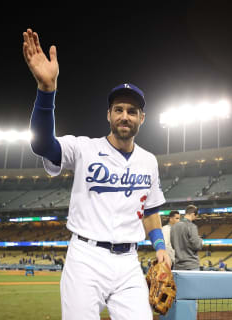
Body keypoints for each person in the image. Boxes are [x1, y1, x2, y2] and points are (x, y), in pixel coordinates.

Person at [22, 28, 170, 320]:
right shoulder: (83, 149)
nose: (124, 116)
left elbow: (150, 211)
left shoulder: (149, 161)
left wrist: (161, 246)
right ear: (108, 115)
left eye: (131, 110)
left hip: (129, 261)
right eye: (118, 109)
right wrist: (46, 91)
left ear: (142, 118)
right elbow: (42, 144)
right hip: (85, 258)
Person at [170, 204, 203, 270]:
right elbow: (197, 246)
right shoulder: (192, 226)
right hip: (191, 265)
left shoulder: (174, 226)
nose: (196, 218)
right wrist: (200, 240)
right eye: (196, 216)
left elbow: (173, 245)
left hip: (178, 266)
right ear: (193, 214)